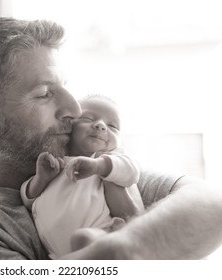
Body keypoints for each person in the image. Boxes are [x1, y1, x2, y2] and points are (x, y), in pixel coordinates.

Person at [0, 13, 222, 260]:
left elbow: (218, 205)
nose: (73, 107)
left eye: (65, 87)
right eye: (44, 94)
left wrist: (120, 250)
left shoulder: (77, 162)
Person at [20, 95, 144, 258]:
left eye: (112, 126)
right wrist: (40, 179)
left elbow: (131, 173)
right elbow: (26, 198)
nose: (100, 125)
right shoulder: (55, 162)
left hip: (100, 233)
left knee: (85, 238)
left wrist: (98, 166)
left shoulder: (107, 160)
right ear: (68, 126)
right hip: (57, 255)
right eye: (87, 118)